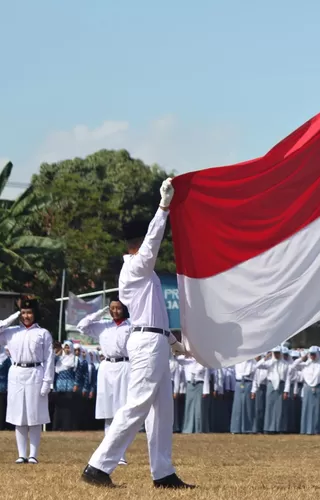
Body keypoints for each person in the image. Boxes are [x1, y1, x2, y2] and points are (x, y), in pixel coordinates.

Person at [81, 178, 194, 489]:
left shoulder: (145, 272)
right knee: (137, 405)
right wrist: (163, 208)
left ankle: (163, 472)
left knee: (162, 411)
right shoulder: (135, 267)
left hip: (155, 339)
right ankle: (98, 466)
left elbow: (155, 317)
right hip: (145, 342)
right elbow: (154, 241)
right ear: (139, 240)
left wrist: (175, 344)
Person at [77, 298, 132, 464]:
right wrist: (100, 312)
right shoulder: (103, 326)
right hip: (107, 367)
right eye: (112, 308)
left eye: (118, 308)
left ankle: (120, 454)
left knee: (121, 411)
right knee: (107, 412)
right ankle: (109, 453)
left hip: (125, 366)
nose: (114, 311)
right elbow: (82, 326)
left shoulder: (131, 326)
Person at [0, 298, 55, 464]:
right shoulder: (11, 332)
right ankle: (21, 454)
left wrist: (48, 382)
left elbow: (49, 359)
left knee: (34, 415)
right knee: (19, 415)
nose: (26, 316)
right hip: (16, 373)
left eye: (29, 312)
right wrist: (12, 316)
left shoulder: (43, 333)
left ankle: (33, 455)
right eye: (23, 313)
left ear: (35, 313)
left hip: (36, 372)